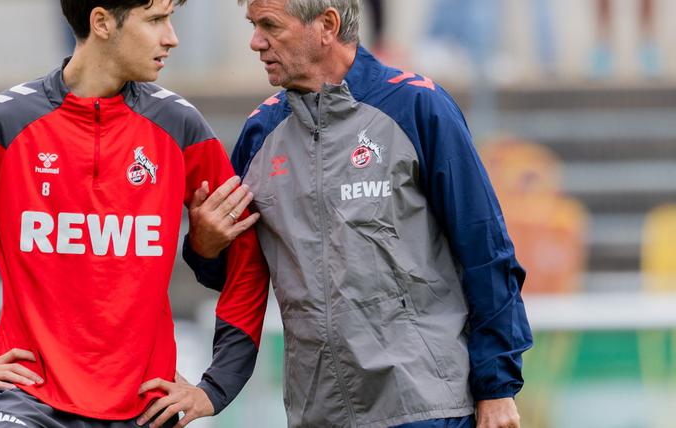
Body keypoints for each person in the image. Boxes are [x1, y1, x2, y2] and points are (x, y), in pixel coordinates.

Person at [0, 1, 269, 427]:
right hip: (26, 401)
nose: (171, 37)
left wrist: (215, 386)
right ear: (102, 22)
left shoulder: (180, 125)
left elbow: (247, 259)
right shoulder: (4, 121)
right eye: (156, 20)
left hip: (142, 407)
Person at [183, 0, 533, 427]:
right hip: (319, 411)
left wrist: (497, 388)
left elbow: (486, 250)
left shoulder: (419, 107)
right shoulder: (260, 134)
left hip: (425, 407)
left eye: (270, 25)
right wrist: (204, 245)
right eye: (253, 25)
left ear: (327, 24)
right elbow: (239, 276)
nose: (256, 42)